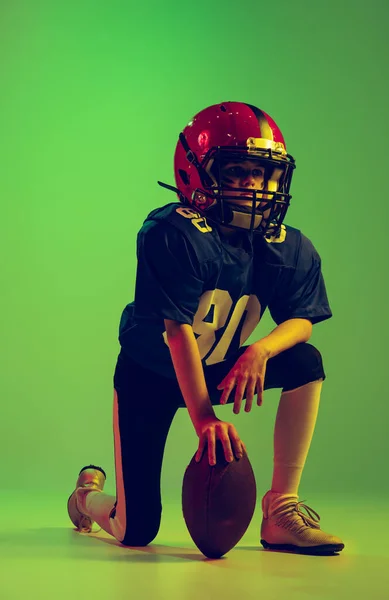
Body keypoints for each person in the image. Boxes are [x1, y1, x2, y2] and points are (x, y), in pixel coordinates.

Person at [67, 101, 345, 555]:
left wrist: (260, 351)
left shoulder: (286, 246)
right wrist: (204, 419)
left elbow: (301, 322)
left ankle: (281, 509)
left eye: (262, 173)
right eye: (237, 171)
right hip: (151, 376)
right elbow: (176, 332)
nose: (254, 185)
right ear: (198, 174)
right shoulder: (174, 232)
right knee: (135, 530)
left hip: (218, 366)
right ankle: (85, 497)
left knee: (304, 362)